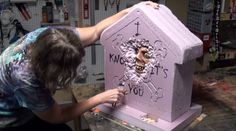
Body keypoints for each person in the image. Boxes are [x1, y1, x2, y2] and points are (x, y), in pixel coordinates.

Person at [0, 1, 159, 131]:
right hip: (11, 117)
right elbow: (58, 115)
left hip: (26, 99)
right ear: (53, 70)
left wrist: (133, 10)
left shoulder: (54, 36)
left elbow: (96, 30)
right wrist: (100, 98)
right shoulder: (25, 79)